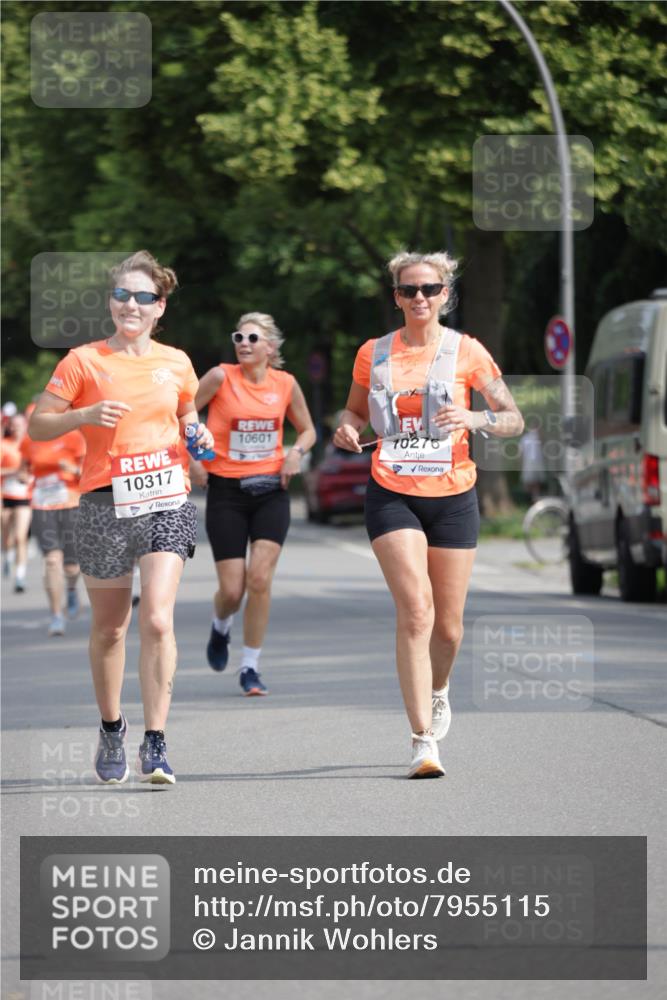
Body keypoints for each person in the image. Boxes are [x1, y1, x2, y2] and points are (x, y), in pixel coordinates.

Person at [334, 251, 524, 779]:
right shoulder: (373, 353)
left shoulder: (469, 352)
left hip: (454, 495)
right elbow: (351, 411)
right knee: (416, 610)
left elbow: (513, 419)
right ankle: (422, 741)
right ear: (396, 296)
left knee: (450, 628)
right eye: (409, 289)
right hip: (391, 490)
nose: (420, 298)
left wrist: (473, 416)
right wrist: (345, 428)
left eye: (430, 289)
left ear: (446, 295)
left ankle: (439, 690)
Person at [28, 250, 214, 785]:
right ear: (111, 303)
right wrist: (83, 415)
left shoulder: (177, 361)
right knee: (110, 630)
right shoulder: (83, 361)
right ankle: (113, 727)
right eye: (122, 295)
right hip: (103, 503)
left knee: (157, 617)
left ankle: (155, 743)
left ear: (161, 307)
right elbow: (39, 425)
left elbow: (186, 414)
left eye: (144, 297)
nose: (131, 305)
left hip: (165, 498)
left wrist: (196, 433)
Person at [193, 312, 316, 695]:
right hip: (226, 491)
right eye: (239, 337)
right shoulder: (219, 377)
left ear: (270, 347)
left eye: (252, 338)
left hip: (270, 491)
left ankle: (250, 667)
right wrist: (193, 458)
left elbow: (309, 429)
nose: (243, 343)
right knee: (232, 591)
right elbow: (180, 417)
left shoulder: (285, 384)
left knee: (260, 579)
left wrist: (295, 451)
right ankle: (220, 625)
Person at [20, 426, 86, 635]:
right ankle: (56, 616)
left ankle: (72, 588)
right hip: (42, 505)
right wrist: (24, 477)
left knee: (72, 567)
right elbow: (24, 468)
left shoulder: (74, 437)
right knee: (51, 560)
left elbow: (87, 473)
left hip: (71, 505)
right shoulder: (31, 439)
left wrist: (71, 469)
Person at [1, 412, 32, 591]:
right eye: (13, 425)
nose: (16, 428)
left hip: (24, 497)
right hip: (5, 495)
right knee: (7, 537)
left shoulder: (32, 444)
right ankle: (7, 554)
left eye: (20, 425)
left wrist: (29, 476)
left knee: (21, 537)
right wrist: (13, 472)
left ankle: (20, 576)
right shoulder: (4, 445)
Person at [519, 425, 546, 502]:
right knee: (530, 483)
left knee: (534, 482)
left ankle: (534, 498)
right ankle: (533, 498)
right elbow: (521, 453)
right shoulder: (525, 438)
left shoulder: (536, 437)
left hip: (534, 463)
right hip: (529, 463)